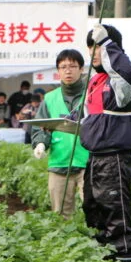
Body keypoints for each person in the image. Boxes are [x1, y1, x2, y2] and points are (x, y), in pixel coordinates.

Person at [80, 24, 131, 262]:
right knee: (94, 210)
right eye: (91, 48)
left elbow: (127, 74)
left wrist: (107, 43)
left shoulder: (122, 80)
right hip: (94, 157)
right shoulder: (94, 82)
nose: (94, 53)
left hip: (114, 157)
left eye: (99, 47)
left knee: (116, 212)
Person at [30, 49, 89, 219]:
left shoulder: (90, 95)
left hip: (88, 162)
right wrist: (40, 143)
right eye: (63, 67)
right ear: (58, 71)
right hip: (59, 162)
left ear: (81, 69)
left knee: (93, 211)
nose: (68, 71)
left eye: (72, 66)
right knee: (61, 214)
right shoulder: (50, 99)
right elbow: (41, 127)